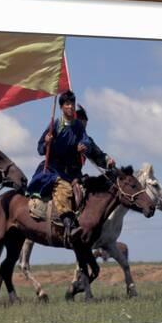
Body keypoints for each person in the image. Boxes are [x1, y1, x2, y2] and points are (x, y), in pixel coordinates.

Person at [26, 91, 109, 247]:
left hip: (73, 174)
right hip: (53, 170)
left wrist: (86, 147)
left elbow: (89, 144)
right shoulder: (55, 125)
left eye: (72, 103)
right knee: (63, 189)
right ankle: (68, 225)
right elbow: (40, 149)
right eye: (67, 104)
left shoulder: (78, 127)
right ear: (61, 107)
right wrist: (46, 142)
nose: (70, 107)